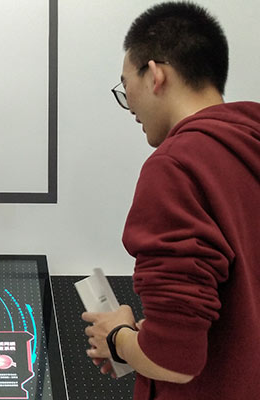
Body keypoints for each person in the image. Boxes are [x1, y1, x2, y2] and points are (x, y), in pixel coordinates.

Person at [81, 2, 260, 399]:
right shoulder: (249, 144)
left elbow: (173, 360)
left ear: (155, 74)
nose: (130, 106)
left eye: (125, 87)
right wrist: (153, 331)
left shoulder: (176, 166)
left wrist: (117, 336)